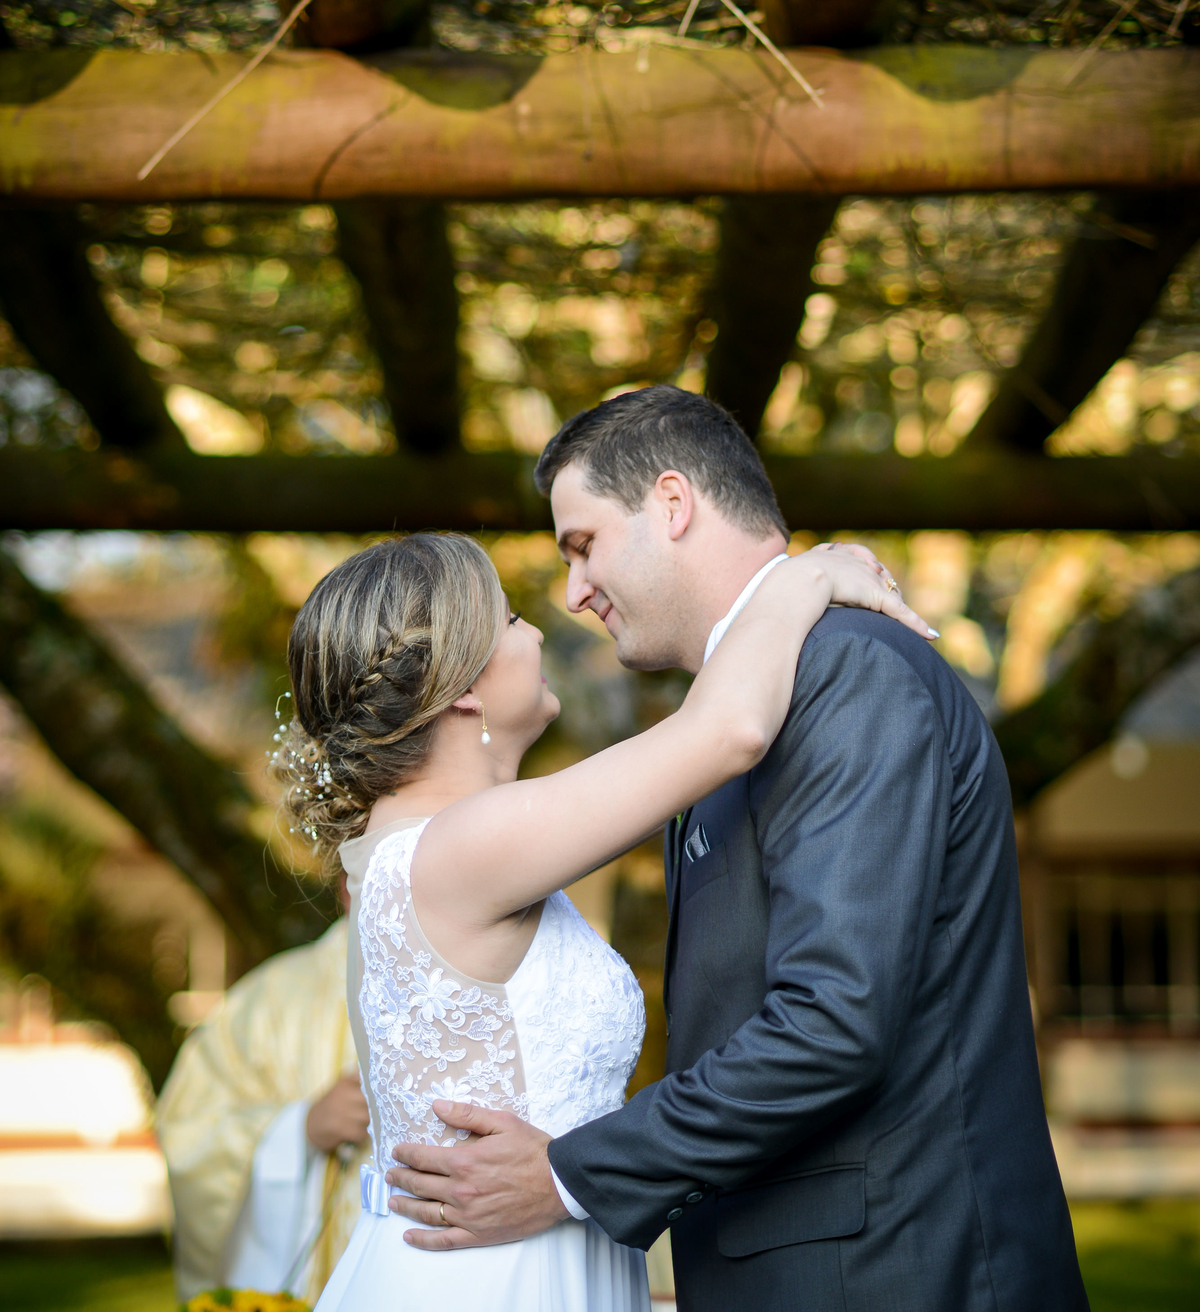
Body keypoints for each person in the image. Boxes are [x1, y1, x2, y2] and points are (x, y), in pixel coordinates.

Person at [386, 386, 1090, 1312]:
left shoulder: (846, 672)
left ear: (672, 505)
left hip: (897, 1271)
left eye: (583, 544)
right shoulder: (733, 715)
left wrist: (566, 1176)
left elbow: (834, 1020)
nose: (573, 592)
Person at [270, 507, 925, 1312]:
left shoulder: (421, 845)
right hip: (488, 1283)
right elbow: (729, 731)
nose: (540, 633)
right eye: (511, 617)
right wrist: (806, 575)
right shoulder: (459, 846)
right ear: (463, 688)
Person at [157, 913, 370, 1305]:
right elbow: (190, 1130)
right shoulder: (270, 998)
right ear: (342, 877)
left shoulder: (491, 985)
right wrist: (299, 1130)